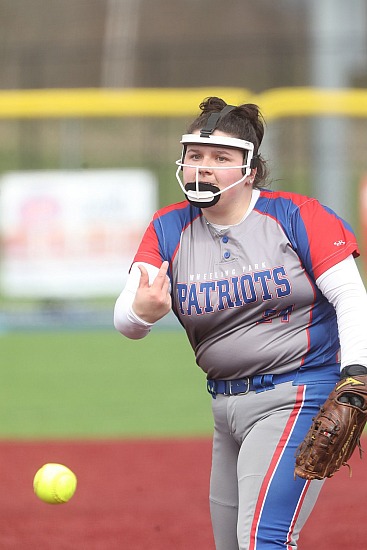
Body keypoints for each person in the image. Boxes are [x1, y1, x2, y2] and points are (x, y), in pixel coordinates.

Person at [114, 96, 367, 549]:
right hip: (224, 406)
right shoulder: (168, 228)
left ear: (250, 170)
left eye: (220, 157)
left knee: (263, 540)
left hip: (298, 393)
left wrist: (357, 373)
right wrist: (140, 312)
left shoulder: (296, 215)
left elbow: (350, 295)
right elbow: (126, 319)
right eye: (195, 155)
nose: (203, 167)